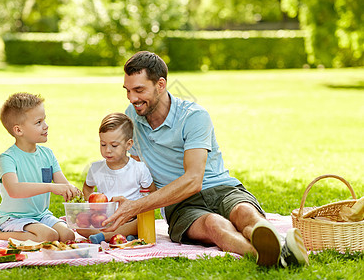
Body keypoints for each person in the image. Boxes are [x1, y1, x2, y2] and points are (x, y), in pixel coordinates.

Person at [103, 51, 309, 267]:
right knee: (214, 225)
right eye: (127, 90)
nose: (132, 98)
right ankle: (274, 256)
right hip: (180, 204)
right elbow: (141, 175)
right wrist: (125, 210)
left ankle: (271, 240)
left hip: (221, 188)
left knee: (244, 213)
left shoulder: (193, 116)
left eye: (139, 90)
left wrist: (136, 206)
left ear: (161, 85)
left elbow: (194, 180)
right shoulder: (131, 118)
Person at [0, 92, 81, 243]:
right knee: (48, 236)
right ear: (19, 130)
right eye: (38, 122)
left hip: (41, 215)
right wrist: (50, 187)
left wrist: (74, 192)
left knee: (68, 236)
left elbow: (63, 184)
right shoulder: (8, 158)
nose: (46, 126)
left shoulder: (47, 154)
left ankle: (39, 229)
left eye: (44, 120)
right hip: (14, 218)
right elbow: (14, 190)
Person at [78, 112, 156, 243]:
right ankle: (125, 235)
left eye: (114, 145)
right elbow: (87, 187)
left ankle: (106, 237)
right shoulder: (96, 168)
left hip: (130, 218)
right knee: (80, 226)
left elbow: (152, 193)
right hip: (104, 219)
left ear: (128, 144)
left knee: (141, 221)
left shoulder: (139, 168)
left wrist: (137, 206)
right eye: (103, 144)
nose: (107, 150)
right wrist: (92, 208)